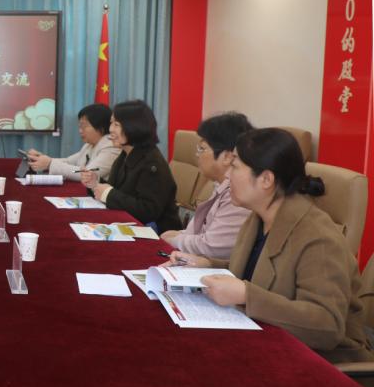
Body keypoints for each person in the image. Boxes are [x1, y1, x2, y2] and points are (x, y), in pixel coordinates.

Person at [167, 128, 373, 363]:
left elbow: (326, 325)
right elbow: (256, 269)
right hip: (268, 342)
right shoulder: (259, 217)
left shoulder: (319, 237)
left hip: (321, 362)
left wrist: (247, 296)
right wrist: (206, 264)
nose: (228, 175)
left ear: (266, 179)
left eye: (235, 166)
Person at [160, 112, 253, 259]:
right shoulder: (220, 184)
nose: (197, 155)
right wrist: (179, 235)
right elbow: (201, 231)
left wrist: (174, 239)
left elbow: (212, 247)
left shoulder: (237, 193)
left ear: (227, 157)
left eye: (202, 149)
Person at [81, 99, 180, 232]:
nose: (110, 129)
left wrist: (108, 194)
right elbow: (116, 189)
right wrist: (96, 183)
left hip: (156, 232)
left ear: (134, 127)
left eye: (116, 124)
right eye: (111, 123)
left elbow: (148, 211)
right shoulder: (126, 153)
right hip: (127, 224)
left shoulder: (152, 163)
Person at [25, 103, 120, 181]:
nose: (80, 131)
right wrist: (41, 158)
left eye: (84, 126)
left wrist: (50, 163)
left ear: (101, 127)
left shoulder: (111, 146)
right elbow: (69, 162)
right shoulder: (89, 145)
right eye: (79, 127)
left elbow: (86, 173)